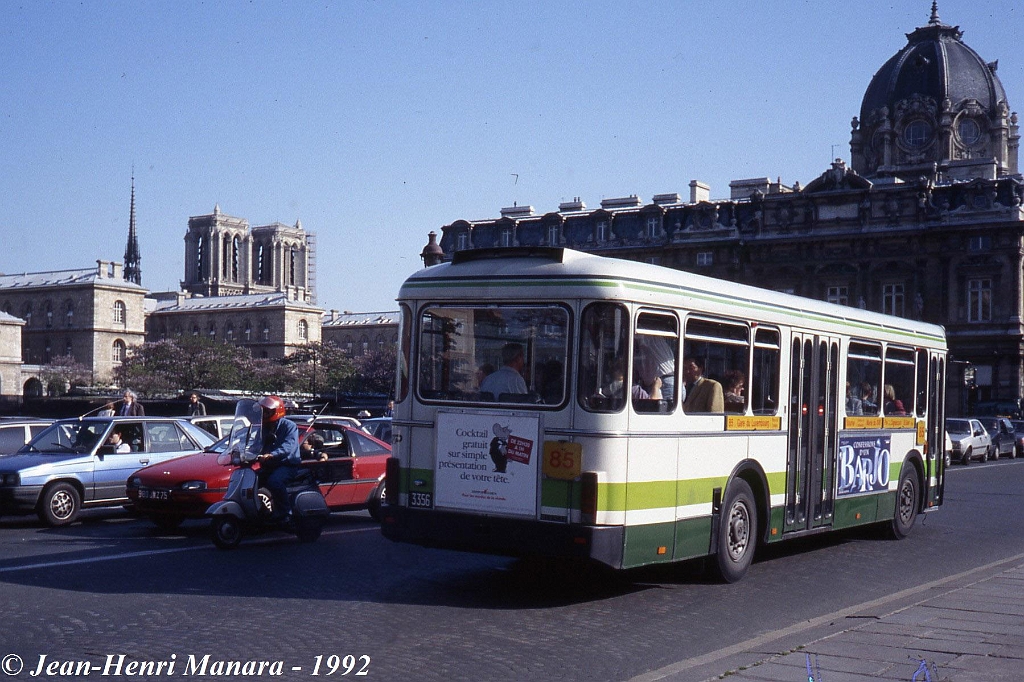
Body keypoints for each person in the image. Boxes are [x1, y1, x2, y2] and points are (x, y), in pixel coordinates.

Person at [256, 395, 301, 521]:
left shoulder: (289, 426)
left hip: (287, 464)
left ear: (277, 410)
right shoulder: (264, 427)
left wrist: (272, 454)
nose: (265, 414)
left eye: (267, 411)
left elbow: (288, 446)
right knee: (253, 480)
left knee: (274, 482)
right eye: (264, 411)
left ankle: (286, 513)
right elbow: (256, 443)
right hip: (270, 465)